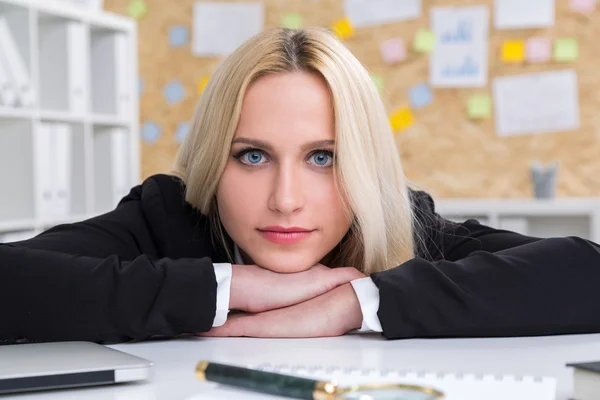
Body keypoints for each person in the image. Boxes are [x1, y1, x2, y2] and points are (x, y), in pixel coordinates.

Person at [2, 27, 600, 346]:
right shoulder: (170, 217)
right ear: (215, 159)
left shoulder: (398, 226)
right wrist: (235, 285)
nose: (285, 198)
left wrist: (352, 304)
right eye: (253, 156)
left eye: (323, 157)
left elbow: (586, 272)